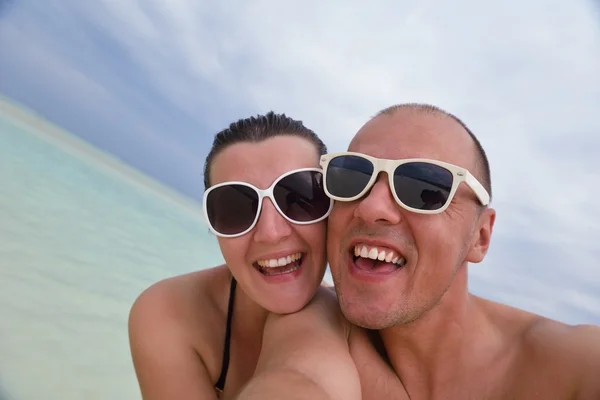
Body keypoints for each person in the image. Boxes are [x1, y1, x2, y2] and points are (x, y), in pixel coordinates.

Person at [239, 103, 600, 399]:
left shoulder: (578, 365)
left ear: (481, 237)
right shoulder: (316, 321)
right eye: (351, 176)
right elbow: (299, 378)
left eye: (425, 187)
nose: (371, 207)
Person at [127, 112, 361, 400]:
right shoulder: (168, 313)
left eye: (300, 198)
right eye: (236, 207)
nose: (271, 233)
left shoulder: (365, 322)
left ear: (333, 209)